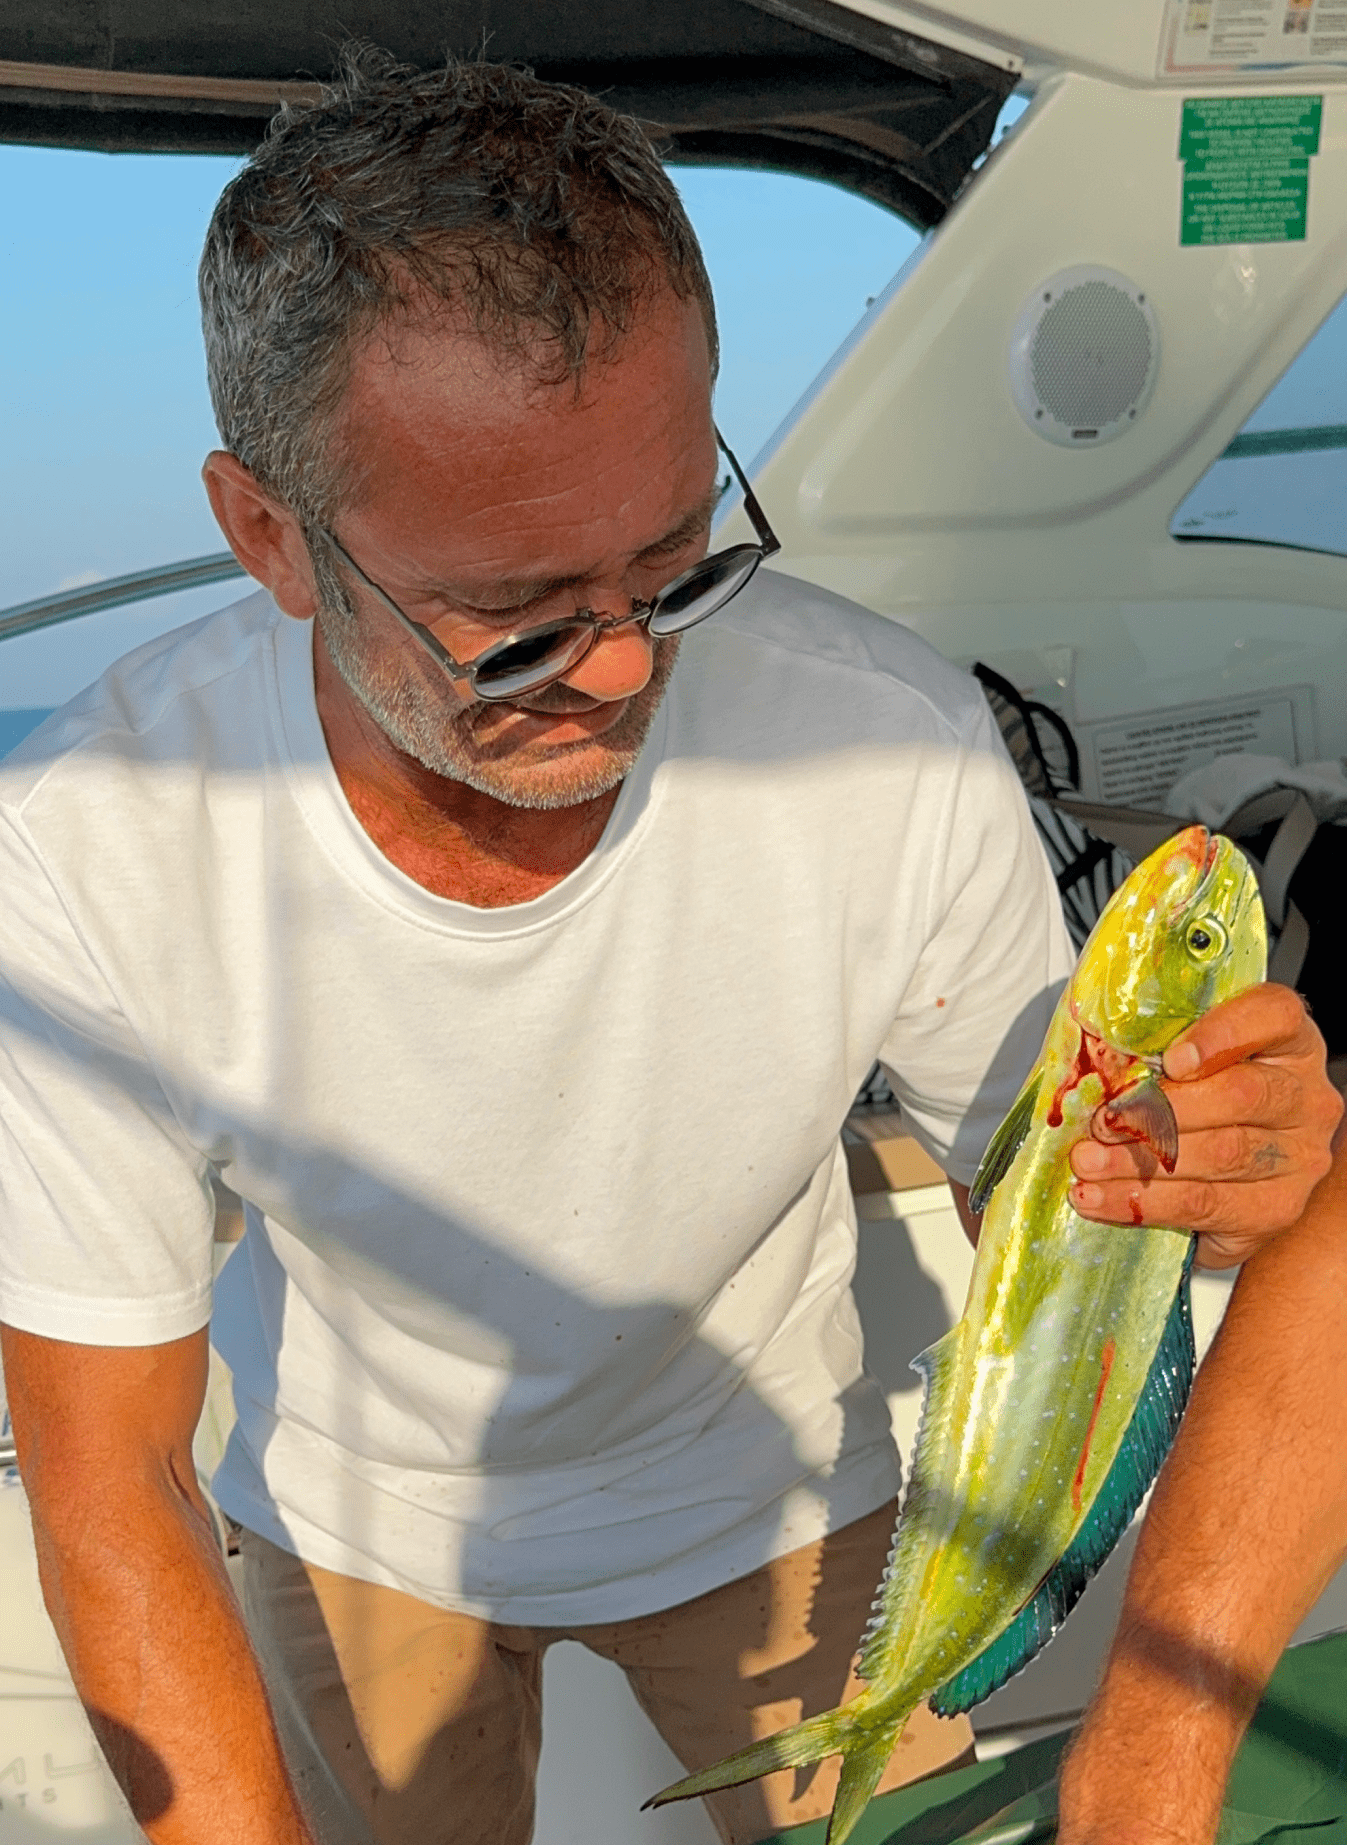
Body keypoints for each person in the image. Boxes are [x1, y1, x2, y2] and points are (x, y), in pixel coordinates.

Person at [0, 50, 1339, 1845]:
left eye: (675, 559)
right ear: (271, 538)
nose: (627, 669)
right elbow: (108, 1477)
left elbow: (1067, 1191)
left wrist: (1221, 1159)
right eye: (509, 616)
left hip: (785, 1498)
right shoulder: (91, 849)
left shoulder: (888, 743)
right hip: (355, 1527)